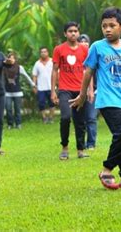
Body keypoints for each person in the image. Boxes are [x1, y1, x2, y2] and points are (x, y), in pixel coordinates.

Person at [71, 7, 121, 190]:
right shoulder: (97, 47)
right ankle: (106, 169)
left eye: (111, 26)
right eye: (104, 26)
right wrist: (83, 94)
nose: (107, 29)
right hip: (108, 99)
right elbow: (88, 71)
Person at [51, 22, 89, 160]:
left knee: (80, 121)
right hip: (64, 90)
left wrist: (89, 90)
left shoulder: (85, 50)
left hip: (80, 90)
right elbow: (55, 70)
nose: (73, 33)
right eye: (70, 31)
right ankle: (65, 148)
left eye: (75, 31)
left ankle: (80, 150)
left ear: (78, 33)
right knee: (65, 117)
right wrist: (53, 91)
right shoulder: (59, 49)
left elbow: (88, 71)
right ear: (65, 33)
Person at [4, 51, 35, 129]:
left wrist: (33, 85)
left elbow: (26, 76)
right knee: (8, 109)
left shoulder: (19, 67)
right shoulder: (4, 68)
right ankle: (10, 124)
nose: (11, 60)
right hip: (7, 92)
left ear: (15, 59)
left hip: (17, 92)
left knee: (17, 109)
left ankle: (18, 123)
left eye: (12, 58)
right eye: (9, 58)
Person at [78, 34, 98, 150]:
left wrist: (91, 90)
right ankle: (81, 143)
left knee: (91, 118)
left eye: (86, 42)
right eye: (82, 42)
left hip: (93, 91)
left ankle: (91, 143)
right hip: (78, 92)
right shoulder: (76, 57)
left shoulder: (94, 56)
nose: (84, 44)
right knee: (81, 119)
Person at [32, 47, 55, 124]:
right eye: (42, 52)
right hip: (41, 87)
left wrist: (57, 84)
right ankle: (44, 118)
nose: (43, 53)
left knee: (52, 103)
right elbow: (34, 75)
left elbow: (57, 73)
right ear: (40, 53)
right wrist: (34, 85)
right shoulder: (37, 63)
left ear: (48, 53)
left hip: (51, 86)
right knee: (41, 103)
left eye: (45, 52)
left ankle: (51, 118)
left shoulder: (52, 62)